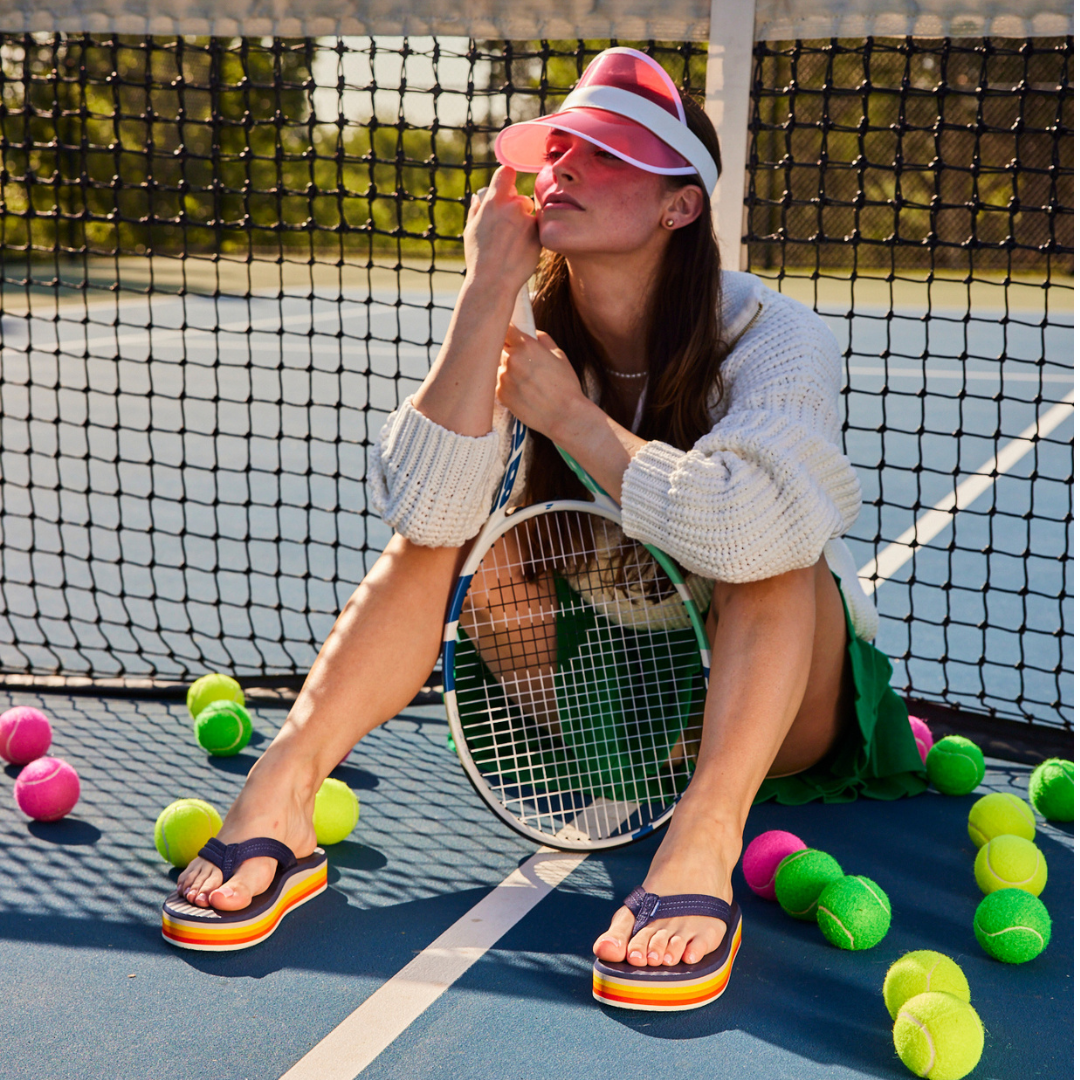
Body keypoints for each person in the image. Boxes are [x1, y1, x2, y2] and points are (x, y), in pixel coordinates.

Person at [174, 48, 925, 982]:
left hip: (779, 702)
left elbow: (757, 530)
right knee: (438, 542)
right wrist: (487, 288)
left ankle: (701, 840)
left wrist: (574, 418)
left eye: (605, 154)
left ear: (679, 204)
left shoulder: (772, 336)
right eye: (559, 147)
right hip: (617, 683)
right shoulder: (525, 318)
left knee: (770, 550)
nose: (561, 165)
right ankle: (283, 789)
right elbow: (425, 510)